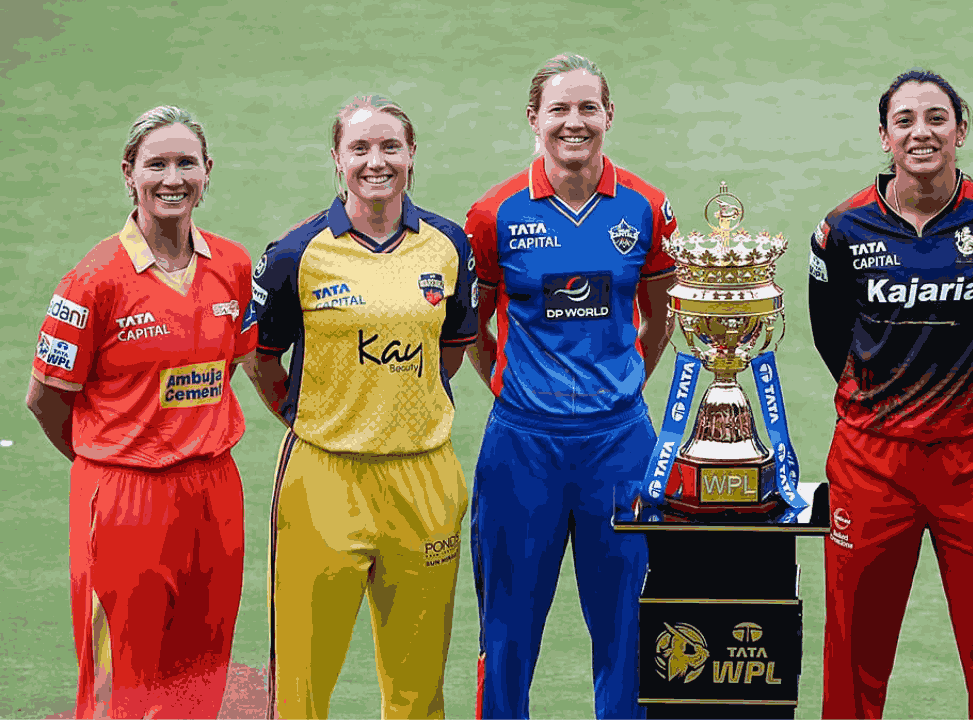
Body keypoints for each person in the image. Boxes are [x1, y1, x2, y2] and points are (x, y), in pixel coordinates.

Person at [808, 69, 973, 719]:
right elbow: (833, 338)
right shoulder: (842, 229)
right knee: (855, 638)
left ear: (960, 130)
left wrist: (966, 403)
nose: (922, 132)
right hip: (871, 462)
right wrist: (887, 404)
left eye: (936, 117)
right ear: (884, 136)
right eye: (905, 119)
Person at [244, 94, 477, 719]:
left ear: (412, 155)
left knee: (419, 684)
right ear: (337, 160)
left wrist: (402, 405)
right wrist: (310, 418)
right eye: (361, 149)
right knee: (303, 682)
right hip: (324, 480)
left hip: (424, 478)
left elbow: (450, 349)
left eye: (390, 147)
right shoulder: (296, 254)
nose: (377, 162)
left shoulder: (449, 245)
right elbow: (261, 358)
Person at [465, 53, 677, 719]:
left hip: (619, 446)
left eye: (588, 108)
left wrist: (622, 384)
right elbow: (473, 327)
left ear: (609, 116)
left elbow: (662, 310)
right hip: (521, 446)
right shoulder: (493, 213)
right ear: (534, 119)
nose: (574, 122)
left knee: (628, 628)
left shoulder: (645, 207)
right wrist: (516, 388)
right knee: (506, 634)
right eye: (559, 109)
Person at [25, 105, 255, 719]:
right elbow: (45, 398)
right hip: (125, 498)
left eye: (186, 163)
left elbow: (224, 366)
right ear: (129, 174)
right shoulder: (93, 279)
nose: (172, 178)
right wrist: (109, 460)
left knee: (201, 676)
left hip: (213, 492)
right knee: (119, 689)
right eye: (156, 164)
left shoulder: (232, 266)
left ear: (209, 171)